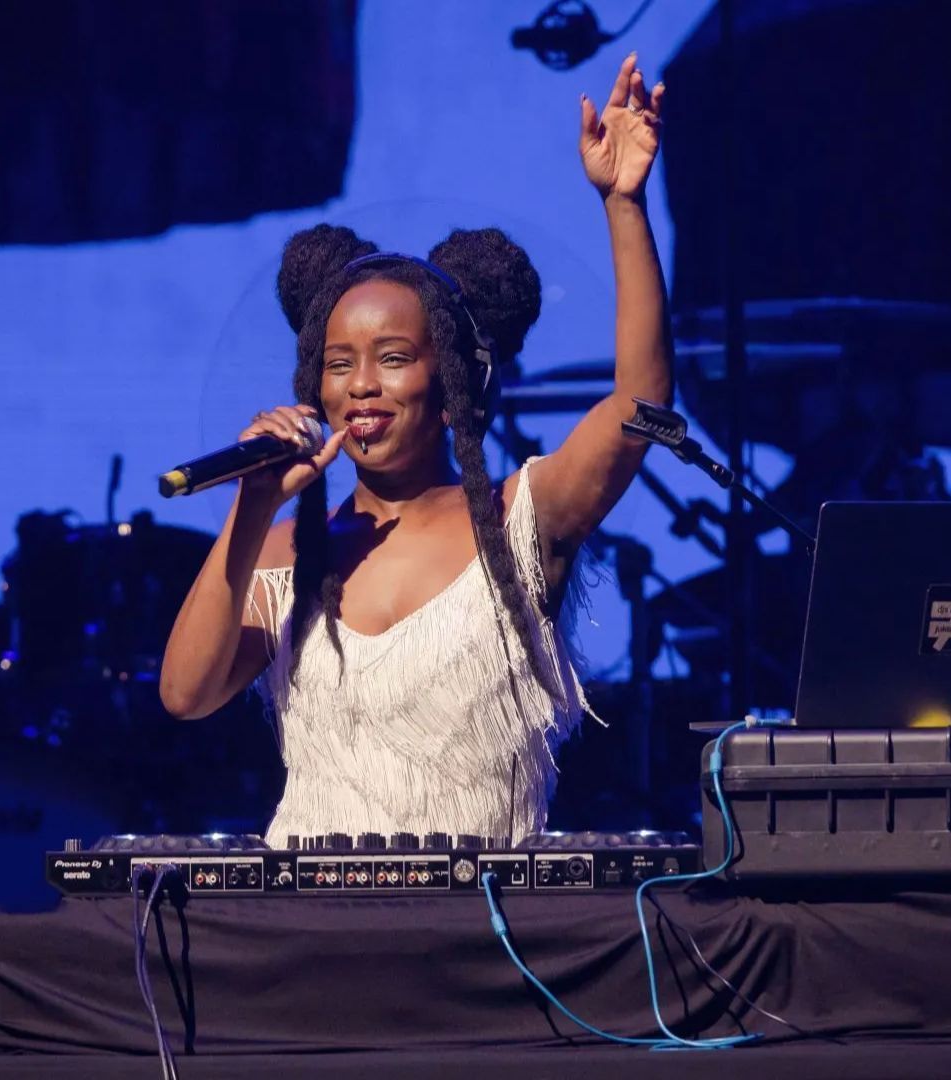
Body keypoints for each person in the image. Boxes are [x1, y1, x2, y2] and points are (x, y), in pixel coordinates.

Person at [159, 55, 670, 842]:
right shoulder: (287, 552)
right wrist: (252, 506)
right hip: (304, 936)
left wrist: (624, 204)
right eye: (339, 365)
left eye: (393, 359)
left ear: (455, 382)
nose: (361, 385)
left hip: (480, 936)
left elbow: (640, 408)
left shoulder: (523, 521)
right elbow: (186, 695)